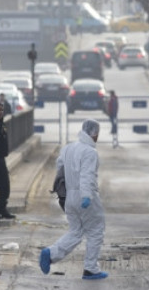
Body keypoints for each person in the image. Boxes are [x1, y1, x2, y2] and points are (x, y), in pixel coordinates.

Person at [39, 119, 108, 281]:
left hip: (69, 196)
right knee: (95, 231)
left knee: (76, 231)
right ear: (94, 133)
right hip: (85, 196)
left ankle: (51, 253)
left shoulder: (68, 148)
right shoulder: (90, 152)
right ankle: (90, 269)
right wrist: (86, 196)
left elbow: (60, 167)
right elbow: (87, 175)